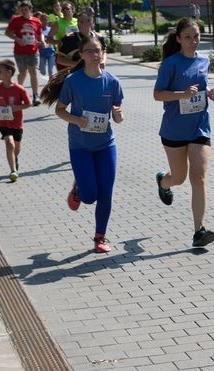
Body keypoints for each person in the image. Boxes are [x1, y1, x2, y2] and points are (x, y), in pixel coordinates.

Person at [40, 33, 124, 253]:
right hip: (80, 146)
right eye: (90, 51)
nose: (95, 55)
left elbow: (118, 116)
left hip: (106, 144)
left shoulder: (112, 82)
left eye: (98, 51)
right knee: (89, 196)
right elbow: (60, 110)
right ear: (82, 55)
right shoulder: (73, 81)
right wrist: (76, 120)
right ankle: (78, 190)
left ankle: (100, 237)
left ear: (103, 53)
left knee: (105, 193)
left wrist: (118, 115)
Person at [153, 18, 214, 248]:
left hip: (199, 126)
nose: (193, 41)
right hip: (174, 129)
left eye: (196, 36)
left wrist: (209, 92)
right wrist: (182, 94)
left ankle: (199, 230)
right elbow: (158, 94)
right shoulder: (170, 64)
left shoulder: (204, 60)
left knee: (198, 176)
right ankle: (164, 182)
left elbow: (201, 85)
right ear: (179, 39)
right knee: (179, 178)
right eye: (188, 37)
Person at [0, 58, 31, 181]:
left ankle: (14, 158)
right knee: (9, 143)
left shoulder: (19, 89)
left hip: (17, 123)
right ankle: (13, 170)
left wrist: (16, 107)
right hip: (3, 122)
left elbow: (29, 103)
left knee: (16, 147)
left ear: (9, 72)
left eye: (0, 71)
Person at [5, 0, 44, 105]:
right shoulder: (16, 20)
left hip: (33, 51)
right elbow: (7, 33)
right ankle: (19, 92)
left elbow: (40, 33)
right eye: (22, 10)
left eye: (26, 9)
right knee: (23, 73)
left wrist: (42, 41)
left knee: (33, 72)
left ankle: (35, 95)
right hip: (20, 51)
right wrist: (17, 39)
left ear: (31, 9)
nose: (24, 11)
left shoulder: (36, 21)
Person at [36, 10, 55, 78]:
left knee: (50, 71)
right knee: (43, 72)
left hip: (51, 52)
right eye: (43, 20)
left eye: (46, 20)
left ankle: (51, 82)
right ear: (40, 21)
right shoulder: (38, 30)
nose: (45, 21)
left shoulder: (51, 29)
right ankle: (40, 68)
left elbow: (54, 40)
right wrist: (40, 43)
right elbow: (35, 41)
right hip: (42, 53)